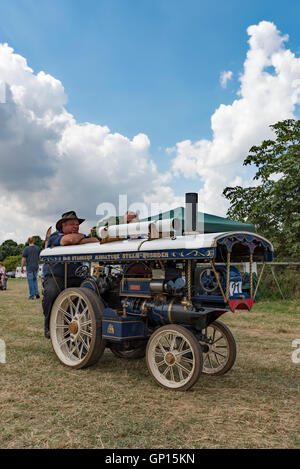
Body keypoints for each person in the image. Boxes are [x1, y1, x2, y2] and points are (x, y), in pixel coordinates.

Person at [42, 211, 99, 339]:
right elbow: (68, 240)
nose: (76, 227)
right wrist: (78, 239)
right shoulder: (54, 237)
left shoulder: (79, 236)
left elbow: (95, 240)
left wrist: (76, 240)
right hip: (56, 277)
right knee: (51, 293)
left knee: (94, 290)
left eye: (77, 224)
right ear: (63, 225)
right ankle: (48, 325)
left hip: (76, 277)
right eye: (72, 224)